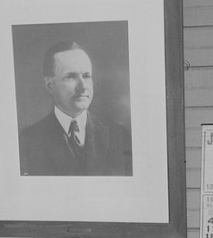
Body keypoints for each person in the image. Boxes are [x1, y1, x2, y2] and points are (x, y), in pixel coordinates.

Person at [18, 40, 132, 176]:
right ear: (49, 84)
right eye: (70, 77)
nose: (83, 86)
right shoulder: (28, 141)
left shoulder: (118, 136)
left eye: (86, 76)